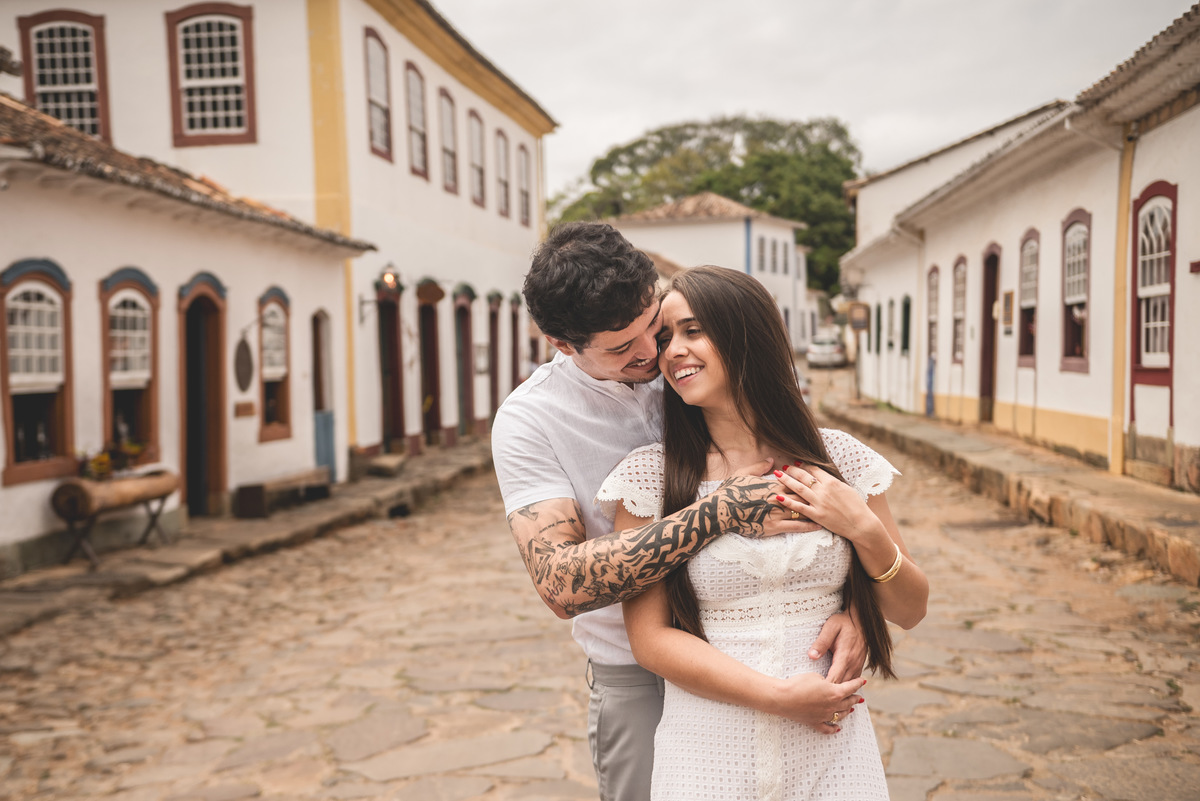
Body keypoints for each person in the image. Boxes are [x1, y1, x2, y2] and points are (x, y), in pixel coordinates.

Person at [491, 223, 868, 801]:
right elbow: (559, 584)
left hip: (771, 647)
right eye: (622, 348)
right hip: (640, 674)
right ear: (562, 344)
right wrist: (714, 515)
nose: (652, 354)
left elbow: (833, 511)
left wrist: (857, 610)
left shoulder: (695, 358)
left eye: (655, 326)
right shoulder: (530, 421)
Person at [596, 266, 929, 800]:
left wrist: (862, 527)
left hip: (832, 751)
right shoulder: (651, 477)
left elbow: (910, 608)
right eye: (665, 339)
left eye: (693, 330)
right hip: (706, 751)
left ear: (746, 334)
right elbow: (650, 641)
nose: (673, 351)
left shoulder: (838, 458)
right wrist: (777, 696)